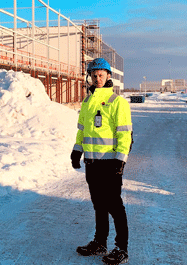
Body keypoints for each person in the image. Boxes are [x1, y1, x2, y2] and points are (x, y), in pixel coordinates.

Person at [71, 58, 132, 264]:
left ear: (108, 76)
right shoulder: (87, 103)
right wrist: (76, 151)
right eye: (94, 75)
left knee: (114, 205)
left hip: (110, 163)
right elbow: (82, 131)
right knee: (98, 204)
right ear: (90, 76)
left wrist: (121, 160)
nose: (97, 78)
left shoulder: (117, 102)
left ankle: (121, 248)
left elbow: (124, 134)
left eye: (101, 75)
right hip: (92, 163)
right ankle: (100, 243)